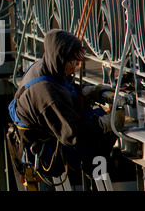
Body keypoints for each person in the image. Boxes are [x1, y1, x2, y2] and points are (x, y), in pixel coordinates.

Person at [8, 29, 125, 183]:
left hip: (46, 127)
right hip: (47, 149)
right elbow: (72, 134)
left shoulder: (44, 65)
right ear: (59, 58)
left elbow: (63, 88)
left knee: (93, 116)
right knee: (100, 127)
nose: (76, 64)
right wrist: (106, 124)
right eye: (72, 60)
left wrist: (88, 92)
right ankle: (94, 168)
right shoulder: (46, 91)